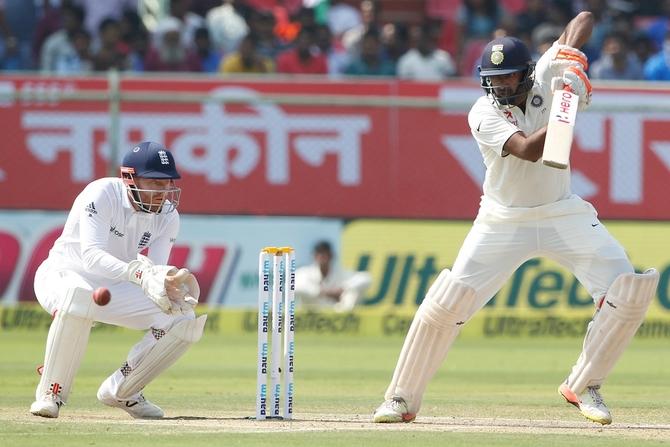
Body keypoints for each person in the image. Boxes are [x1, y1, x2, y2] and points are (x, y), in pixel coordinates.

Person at [373, 11, 659, 426]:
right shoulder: (482, 112)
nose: (502, 85)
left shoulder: (547, 73)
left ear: (527, 72)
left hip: (563, 211)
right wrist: (567, 104)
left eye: (509, 76)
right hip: (501, 220)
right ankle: (400, 399)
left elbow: (583, 18)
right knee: (446, 302)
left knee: (628, 289)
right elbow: (528, 149)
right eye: (495, 78)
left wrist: (574, 58)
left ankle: (585, 384)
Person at [30, 141, 206, 420]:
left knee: (182, 317)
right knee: (77, 295)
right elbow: (91, 256)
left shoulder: (168, 215)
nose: (163, 192)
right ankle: (52, 392)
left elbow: (155, 270)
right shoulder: (102, 194)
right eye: (155, 183)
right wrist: (140, 272)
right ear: (129, 178)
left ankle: (123, 390)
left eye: (167, 183)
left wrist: (163, 281)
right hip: (62, 275)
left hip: (115, 287)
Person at [295, 241, 371, 312]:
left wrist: (343, 289)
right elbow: (294, 287)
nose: (322, 256)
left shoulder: (341, 273)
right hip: (310, 320)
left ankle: (343, 316)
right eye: (319, 253)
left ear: (331, 255)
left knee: (351, 293)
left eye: (325, 253)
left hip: (335, 318)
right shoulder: (305, 273)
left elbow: (366, 278)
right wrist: (321, 292)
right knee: (306, 293)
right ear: (314, 256)